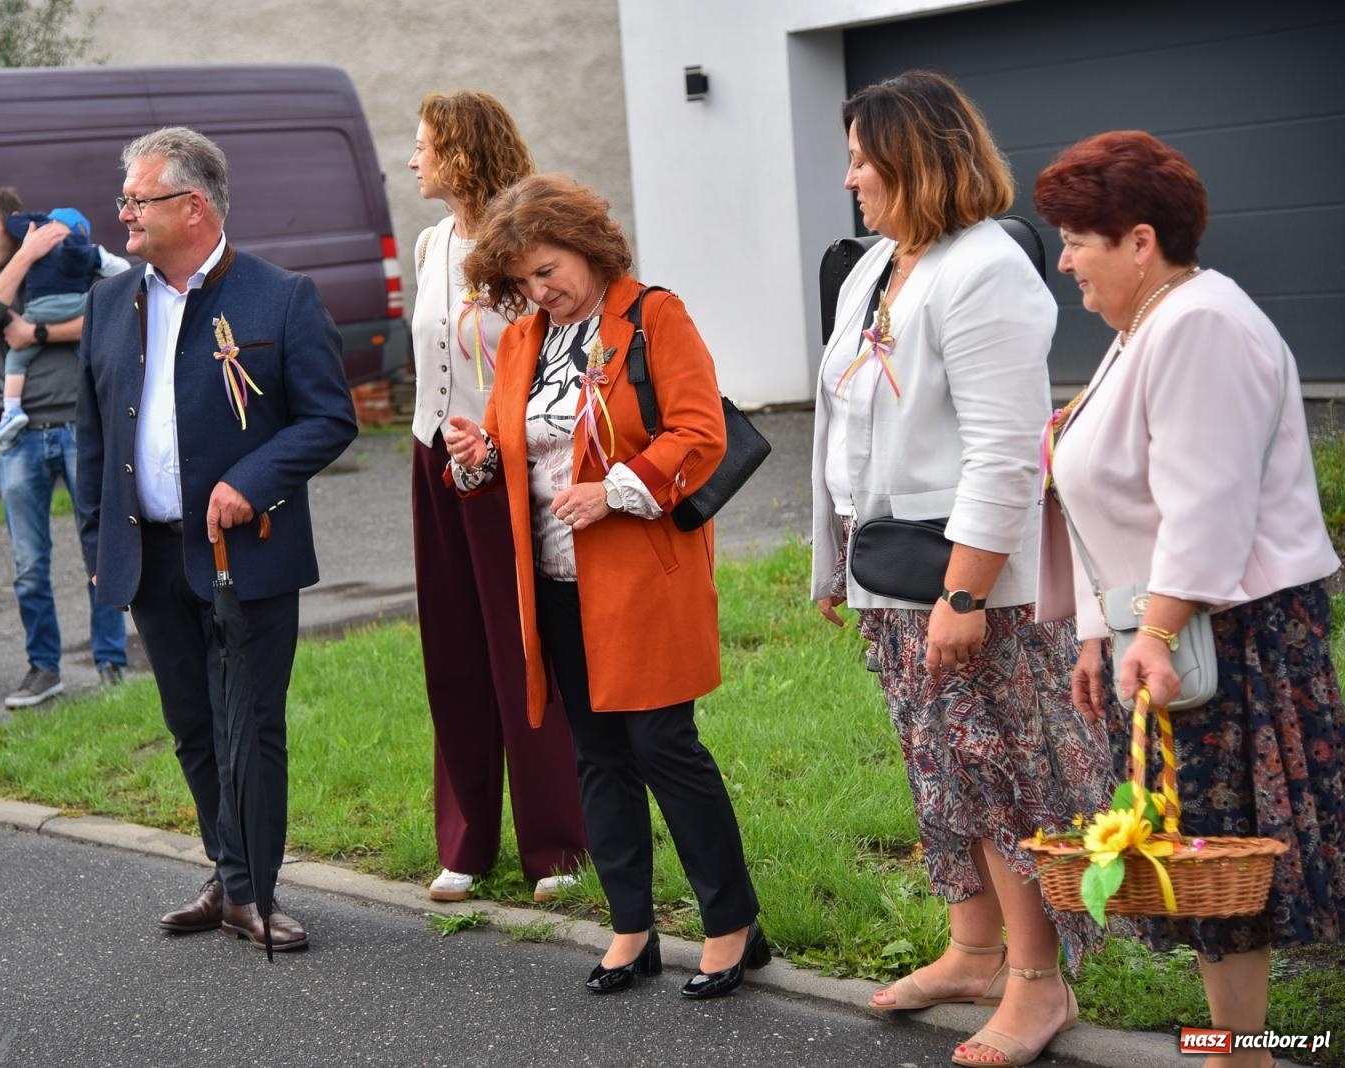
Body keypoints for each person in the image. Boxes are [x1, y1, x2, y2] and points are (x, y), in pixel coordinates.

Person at [808, 71, 1111, 1067]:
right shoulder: (876, 266)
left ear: (917, 161)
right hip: (894, 575)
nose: (850, 178)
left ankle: (1038, 984)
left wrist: (964, 593)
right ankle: (974, 953)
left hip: (972, 587)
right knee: (942, 775)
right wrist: (835, 561)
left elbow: (1006, 451)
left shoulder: (985, 269)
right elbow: (843, 425)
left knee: (1005, 783)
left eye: (863, 160)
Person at [1033, 130, 1344, 1068]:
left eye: (1076, 240)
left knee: (1226, 855)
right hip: (1179, 623)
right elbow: (1113, 502)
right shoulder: (1147, 325)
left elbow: (1207, 499)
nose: (1064, 261)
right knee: (1206, 853)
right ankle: (1234, 1051)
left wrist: (1157, 631)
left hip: (1226, 630)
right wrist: (1100, 632)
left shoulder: (1198, 323)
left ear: (1139, 241)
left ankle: (1243, 1053)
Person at [446, 173, 764, 1000]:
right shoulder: (524, 339)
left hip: (641, 577)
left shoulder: (654, 316)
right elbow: (517, 451)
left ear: (586, 246)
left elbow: (701, 432)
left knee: (663, 747)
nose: (537, 291)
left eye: (547, 270)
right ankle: (632, 927)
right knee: (596, 755)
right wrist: (479, 456)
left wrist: (615, 489)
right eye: (521, 280)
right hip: (555, 582)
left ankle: (732, 924)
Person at [76, 127, 357, 951]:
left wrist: (250, 481)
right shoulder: (108, 303)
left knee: (249, 728)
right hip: (149, 556)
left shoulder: (281, 298)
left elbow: (329, 418)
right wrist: (98, 549)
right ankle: (229, 874)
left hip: (247, 554)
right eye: (125, 198)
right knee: (194, 728)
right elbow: (94, 442)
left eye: (138, 199)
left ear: (193, 206)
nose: (123, 213)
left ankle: (249, 890)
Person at [407, 90, 587, 905]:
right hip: (432, 460)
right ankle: (467, 841)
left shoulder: (528, 245)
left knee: (523, 646)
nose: (413, 160)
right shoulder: (430, 243)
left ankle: (557, 843)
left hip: (510, 464)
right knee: (452, 649)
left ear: (461, 152)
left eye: (424, 145)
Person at [0, 187, 130, 708]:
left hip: (85, 431)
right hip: (21, 439)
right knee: (29, 566)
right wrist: (26, 257)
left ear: (13, 222)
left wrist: (35, 332)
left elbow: (115, 310)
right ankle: (44, 669)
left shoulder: (77, 265)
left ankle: (111, 663)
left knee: (99, 553)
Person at [0, 206, 102, 445]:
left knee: (16, 359)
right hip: (78, 305)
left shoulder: (41, 233)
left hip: (42, 308)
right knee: (86, 354)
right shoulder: (85, 249)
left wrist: (30, 218)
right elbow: (116, 266)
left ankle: (11, 410)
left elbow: (13, 224)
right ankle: (100, 398)